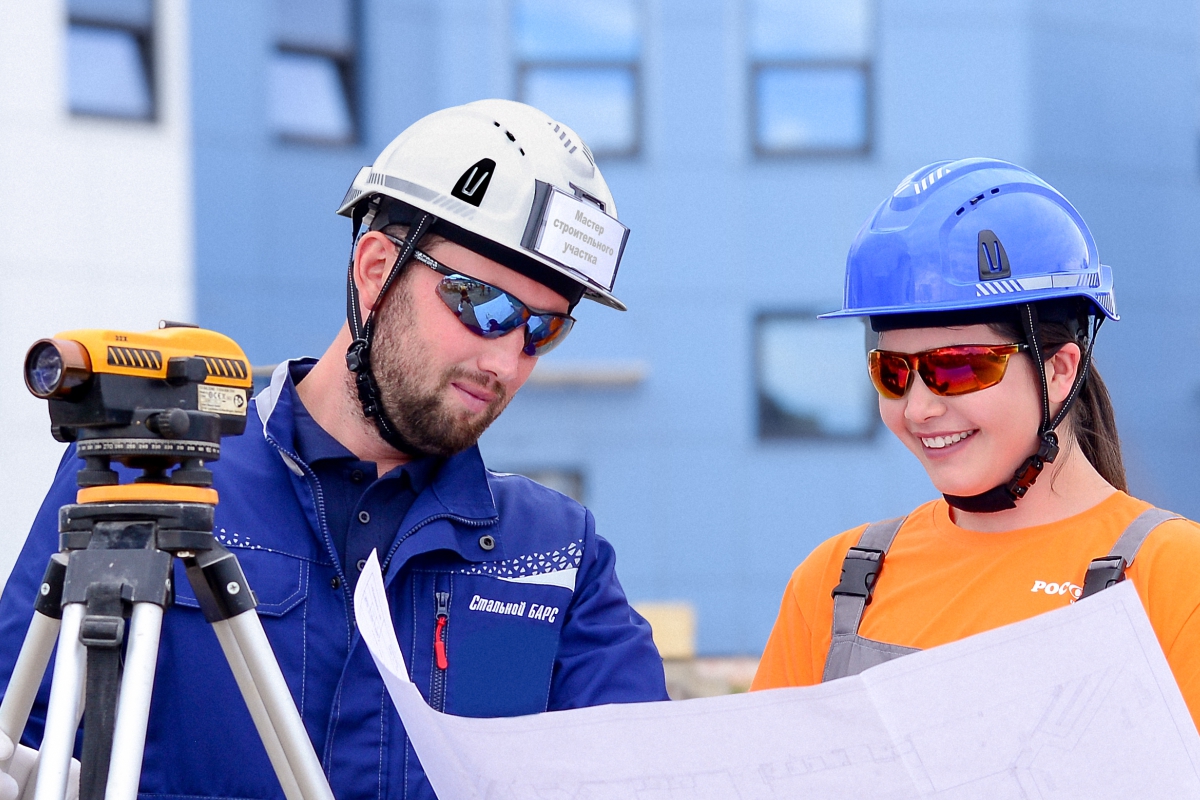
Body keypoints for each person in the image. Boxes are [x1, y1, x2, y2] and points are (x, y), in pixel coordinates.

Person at [0, 99, 667, 800]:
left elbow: (647, 780)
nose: (506, 360)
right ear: (377, 269)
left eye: (542, 330)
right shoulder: (145, 477)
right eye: (485, 305)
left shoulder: (557, 557)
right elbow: (22, 748)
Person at [751, 158, 1200, 730]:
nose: (918, 408)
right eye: (893, 372)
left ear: (1060, 370)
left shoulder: (1173, 579)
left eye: (957, 367)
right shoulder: (836, 581)